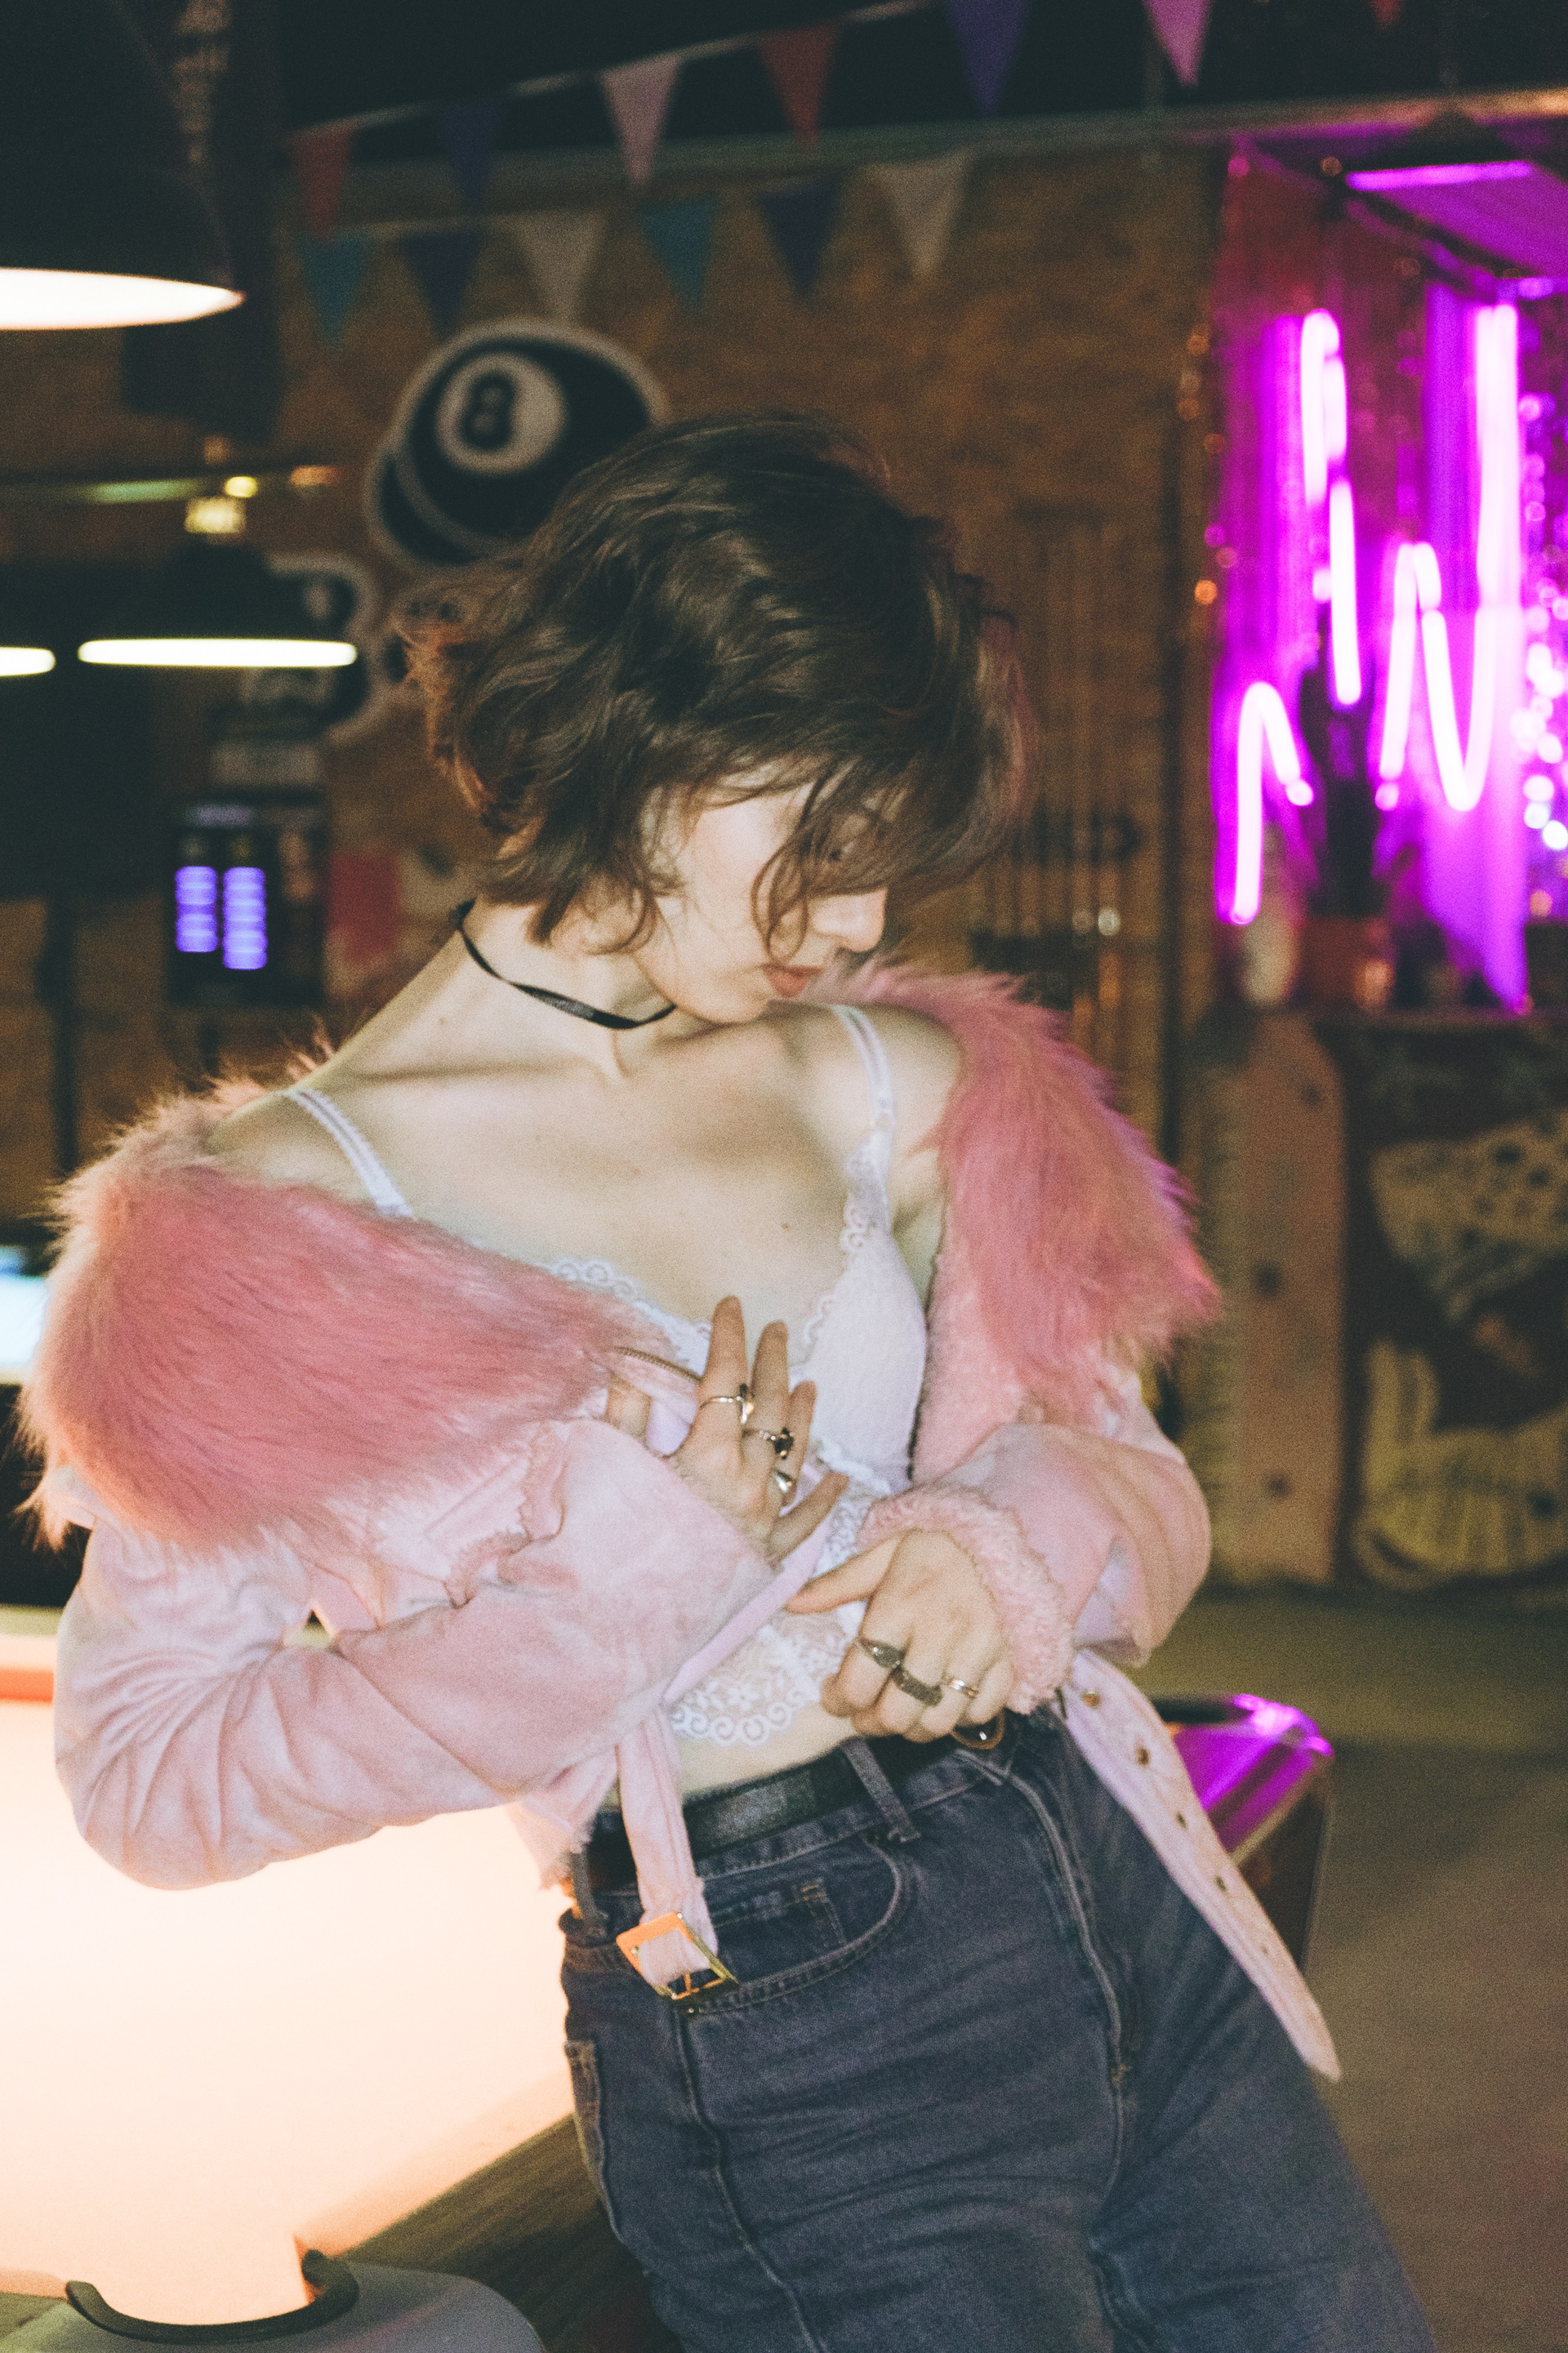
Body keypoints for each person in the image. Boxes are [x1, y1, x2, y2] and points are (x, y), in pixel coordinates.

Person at [24, 416, 1434, 2353]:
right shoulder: (273, 1226)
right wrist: (614, 1590)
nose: (860, 923)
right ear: (661, 750)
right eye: (827, 851)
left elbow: (1129, 1468)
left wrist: (1008, 1547)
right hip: (794, 2023)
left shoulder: (896, 1081)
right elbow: (149, 1780)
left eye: (885, 869)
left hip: (1105, 1877)